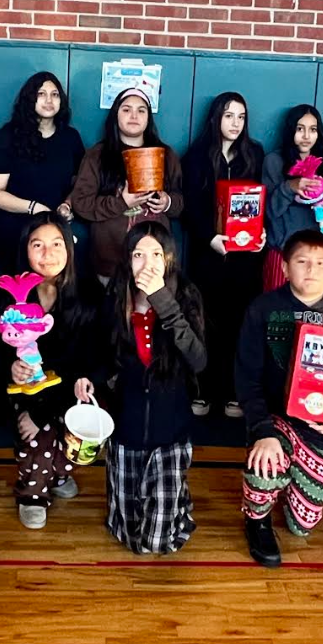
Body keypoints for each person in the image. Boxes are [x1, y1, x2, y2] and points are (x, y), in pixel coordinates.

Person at [236, 229, 323, 568]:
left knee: (302, 526)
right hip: (275, 421)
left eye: (320, 263)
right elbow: (246, 375)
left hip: (322, 430)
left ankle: (294, 484)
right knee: (264, 468)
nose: (311, 270)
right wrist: (262, 430)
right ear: (285, 268)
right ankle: (257, 517)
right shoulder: (264, 308)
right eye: (302, 262)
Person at [79, 221, 204, 554]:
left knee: (159, 541)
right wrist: (87, 378)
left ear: (169, 259)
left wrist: (163, 301)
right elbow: (101, 357)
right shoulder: (115, 300)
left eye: (156, 254)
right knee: (129, 537)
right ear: (127, 260)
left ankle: (177, 496)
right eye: (138, 254)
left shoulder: (186, 296)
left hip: (171, 432)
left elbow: (198, 360)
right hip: (126, 429)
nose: (147, 263)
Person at [0, 212, 106, 529]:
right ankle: (32, 494)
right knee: (36, 435)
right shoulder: (6, 296)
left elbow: (93, 358)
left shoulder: (89, 293)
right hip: (25, 392)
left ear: (69, 249)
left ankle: (59, 473)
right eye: (38, 245)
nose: (47, 254)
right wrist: (12, 368)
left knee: (70, 433)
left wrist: (47, 409)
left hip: (70, 388)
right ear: (25, 249)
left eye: (56, 244)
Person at [181, 92, 266, 419]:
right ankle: (201, 391)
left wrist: (261, 234)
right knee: (203, 325)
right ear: (216, 118)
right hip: (208, 258)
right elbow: (189, 209)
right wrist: (210, 238)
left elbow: (261, 203)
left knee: (239, 328)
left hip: (245, 261)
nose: (235, 123)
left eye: (241, 117)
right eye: (229, 115)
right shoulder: (196, 157)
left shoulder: (254, 154)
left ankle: (233, 393)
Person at [69, 88, 184, 282]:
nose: (134, 116)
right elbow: (81, 204)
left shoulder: (166, 155)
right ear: (116, 115)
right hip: (109, 265)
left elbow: (180, 204)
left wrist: (167, 203)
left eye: (141, 110)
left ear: (148, 118)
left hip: (155, 266)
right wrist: (121, 202)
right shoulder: (97, 155)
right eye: (126, 109)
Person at [0, 72, 85, 274]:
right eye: (41, 94)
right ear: (30, 98)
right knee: (20, 290)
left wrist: (67, 204)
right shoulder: (8, 137)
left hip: (54, 234)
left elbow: (80, 183)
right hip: (14, 232)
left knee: (54, 288)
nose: (49, 100)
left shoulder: (70, 138)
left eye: (55, 94)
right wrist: (35, 208)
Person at [262, 104, 323, 291]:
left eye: (313, 130)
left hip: (316, 254)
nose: (306, 136)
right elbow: (269, 212)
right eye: (300, 129)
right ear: (290, 131)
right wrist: (289, 187)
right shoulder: (274, 161)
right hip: (283, 252)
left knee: (312, 306)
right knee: (279, 308)